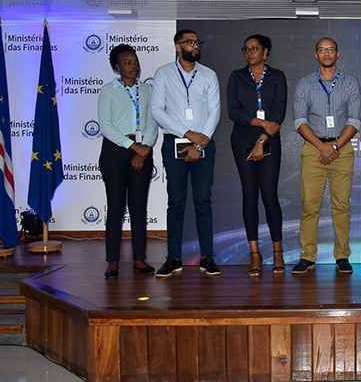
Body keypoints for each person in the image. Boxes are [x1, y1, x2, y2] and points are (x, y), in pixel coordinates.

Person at [151, 29, 221, 277]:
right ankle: (174, 258)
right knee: (176, 202)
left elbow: (214, 112)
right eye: (189, 42)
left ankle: (207, 256)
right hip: (175, 143)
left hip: (204, 143)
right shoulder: (164, 74)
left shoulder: (209, 75)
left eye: (197, 42)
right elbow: (157, 111)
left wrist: (199, 144)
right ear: (178, 47)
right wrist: (187, 134)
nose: (195, 46)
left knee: (203, 201)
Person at [291, 38, 361, 275]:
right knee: (310, 206)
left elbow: (355, 120)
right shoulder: (305, 84)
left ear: (337, 54)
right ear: (316, 55)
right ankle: (307, 256)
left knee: (342, 206)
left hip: (342, 149)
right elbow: (299, 121)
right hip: (314, 149)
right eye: (322, 50)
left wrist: (334, 146)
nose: (326, 54)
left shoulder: (350, 82)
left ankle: (342, 255)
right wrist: (322, 147)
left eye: (331, 50)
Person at [227, 35, 287, 276]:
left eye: (255, 49)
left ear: (265, 52)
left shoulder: (277, 76)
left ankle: (278, 252)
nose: (250, 53)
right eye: (246, 49)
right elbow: (233, 111)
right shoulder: (236, 77)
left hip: (269, 139)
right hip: (242, 139)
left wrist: (261, 140)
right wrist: (261, 123)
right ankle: (255, 255)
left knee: (270, 196)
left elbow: (279, 112)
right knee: (249, 195)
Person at [98, 44, 158, 278]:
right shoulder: (108, 91)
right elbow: (106, 127)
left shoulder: (148, 90)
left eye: (135, 62)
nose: (134, 66)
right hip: (115, 151)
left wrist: (143, 151)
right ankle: (112, 262)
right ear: (117, 67)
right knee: (115, 207)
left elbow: (152, 123)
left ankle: (139, 259)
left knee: (138, 207)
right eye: (128, 63)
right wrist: (133, 147)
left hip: (142, 151)